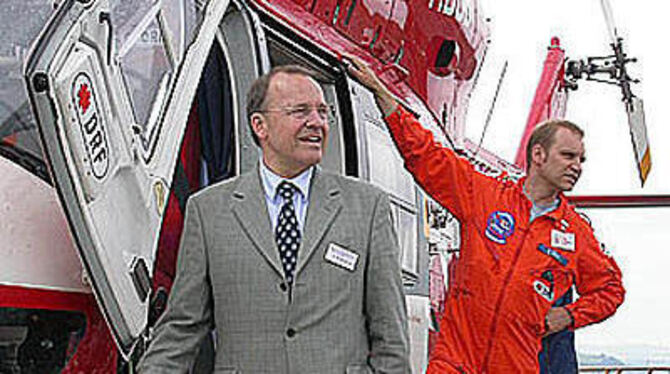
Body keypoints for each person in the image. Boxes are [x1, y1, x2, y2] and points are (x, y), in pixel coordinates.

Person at [346, 57, 625, 373]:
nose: (577, 166)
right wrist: (383, 96)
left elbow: (610, 290)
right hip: (455, 361)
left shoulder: (576, 233)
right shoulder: (484, 194)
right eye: (568, 156)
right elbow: (426, 155)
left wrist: (569, 315)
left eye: (581, 160)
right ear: (538, 155)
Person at [138, 65, 410, 373]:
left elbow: (391, 337)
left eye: (323, 112)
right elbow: (182, 327)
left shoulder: (368, 207)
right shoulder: (208, 210)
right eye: (300, 111)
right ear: (260, 125)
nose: (317, 123)